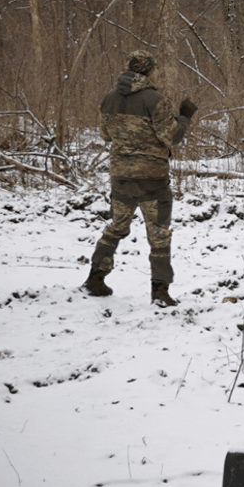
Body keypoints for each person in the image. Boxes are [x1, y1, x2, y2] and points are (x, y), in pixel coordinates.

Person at [82, 50, 197, 307]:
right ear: (149, 71)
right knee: (158, 235)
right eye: (154, 70)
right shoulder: (155, 99)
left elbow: (105, 135)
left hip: (120, 177)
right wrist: (185, 117)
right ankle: (160, 292)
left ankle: (95, 278)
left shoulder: (109, 98)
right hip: (151, 180)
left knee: (116, 227)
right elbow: (173, 137)